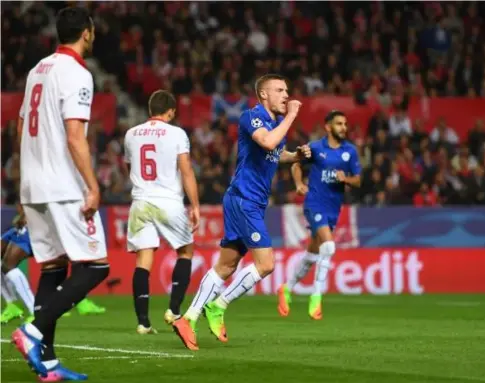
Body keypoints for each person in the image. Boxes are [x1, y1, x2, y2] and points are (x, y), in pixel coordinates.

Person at [173, 74, 310, 350]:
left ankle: (188, 317)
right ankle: (218, 305)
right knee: (266, 264)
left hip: (248, 201)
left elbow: (275, 152)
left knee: (226, 265)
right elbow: (269, 143)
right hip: (245, 200)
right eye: (279, 90)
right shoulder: (252, 117)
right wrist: (292, 116)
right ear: (263, 95)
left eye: (287, 90)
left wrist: (294, 156)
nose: (286, 95)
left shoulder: (272, 124)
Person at [11, 7, 110, 381]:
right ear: (87, 32)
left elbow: (21, 125)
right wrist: (93, 185)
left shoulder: (38, 70)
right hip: (63, 185)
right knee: (97, 265)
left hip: (33, 184)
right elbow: (74, 136)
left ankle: (47, 364)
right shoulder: (76, 73)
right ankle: (32, 331)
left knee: (53, 268)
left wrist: (23, 184)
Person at [124, 90, 200, 335]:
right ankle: (174, 309)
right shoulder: (177, 133)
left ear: (149, 110)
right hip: (168, 201)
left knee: (143, 260)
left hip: (140, 202)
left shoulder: (131, 134)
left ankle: (143, 322)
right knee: (186, 251)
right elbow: (186, 170)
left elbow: (130, 166)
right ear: (171, 111)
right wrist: (195, 205)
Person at [277, 111, 361, 320]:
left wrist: (347, 179)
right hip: (314, 204)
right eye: (339, 124)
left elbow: (358, 180)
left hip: (334, 208)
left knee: (313, 254)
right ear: (328, 127)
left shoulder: (350, 151)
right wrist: (298, 184)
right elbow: (296, 164)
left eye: (345, 124)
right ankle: (316, 296)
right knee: (329, 246)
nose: (344, 127)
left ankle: (286, 288)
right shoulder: (315, 148)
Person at [1, 205, 106, 324]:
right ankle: (12, 305)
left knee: (63, 261)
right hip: (28, 224)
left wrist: (26, 215)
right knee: (61, 260)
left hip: (36, 224)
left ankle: (37, 310)